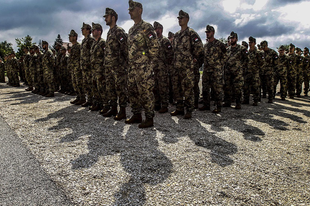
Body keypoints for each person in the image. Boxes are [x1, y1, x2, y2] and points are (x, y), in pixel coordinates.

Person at [125, 0, 159, 128]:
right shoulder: (131, 30)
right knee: (133, 91)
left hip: (144, 68)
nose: (129, 12)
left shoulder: (147, 27)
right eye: (129, 10)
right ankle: (136, 114)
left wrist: (147, 61)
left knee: (145, 92)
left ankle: (149, 118)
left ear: (140, 10)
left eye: (132, 9)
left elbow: (154, 47)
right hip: (133, 68)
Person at [171, 10, 203, 119]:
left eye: (182, 18)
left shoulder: (191, 33)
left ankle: (189, 110)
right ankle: (179, 108)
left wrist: (194, 59)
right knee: (177, 88)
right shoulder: (176, 35)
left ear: (187, 19)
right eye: (178, 18)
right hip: (177, 67)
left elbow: (199, 47)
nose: (179, 20)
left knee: (188, 88)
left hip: (187, 67)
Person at [103, 7, 128, 120]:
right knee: (110, 88)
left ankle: (122, 111)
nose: (105, 19)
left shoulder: (119, 31)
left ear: (113, 17)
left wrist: (124, 65)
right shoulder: (109, 32)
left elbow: (125, 49)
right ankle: (113, 108)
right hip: (109, 67)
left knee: (120, 89)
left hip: (118, 67)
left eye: (107, 17)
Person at [199, 25, 226, 113]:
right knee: (205, 88)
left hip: (216, 70)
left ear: (213, 33)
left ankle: (218, 106)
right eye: (206, 32)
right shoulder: (206, 45)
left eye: (209, 32)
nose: (207, 34)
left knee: (217, 88)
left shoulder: (219, 44)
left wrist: (219, 65)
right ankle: (206, 105)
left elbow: (225, 56)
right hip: (207, 70)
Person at [153, 21, 174, 113]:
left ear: (161, 29)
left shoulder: (165, 41)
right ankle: (157, 104)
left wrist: (166, 65)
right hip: (154, 68)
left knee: (163, 87)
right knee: (155, 87)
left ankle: (164, 105)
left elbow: (170, 54)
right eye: (155, 29)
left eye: (157, 29)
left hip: (162, 68)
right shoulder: (153, 41)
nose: (156, 31)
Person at [223, 31, 248, 109]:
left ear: (236, 39)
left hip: (237, 72)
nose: (231, 40)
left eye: (233, 38)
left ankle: (238, 103)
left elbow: (247, 60)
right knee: (227, 87)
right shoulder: (228, 50)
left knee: (237, 88)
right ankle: (227, 102)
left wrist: (241, 67)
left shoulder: (242, 49)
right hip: (228, 72)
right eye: (230, 38)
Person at [89, 22, 107, 112]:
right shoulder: (94, 43)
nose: (92, 32)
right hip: (94, 70)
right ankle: (98, 103)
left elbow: (105, 56)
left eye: (94, 30)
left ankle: (105, 105)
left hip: (100, 70)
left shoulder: (102, 42)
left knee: (102, 88)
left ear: (99, 31)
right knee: (95, 87)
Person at [80, 22, 96, 107]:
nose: (82, 30)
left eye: (83, 29)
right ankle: (89, 99)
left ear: (88, 30)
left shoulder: (91, 40)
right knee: (86, 83)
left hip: (89, 66)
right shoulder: (83, 40)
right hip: (84, 66)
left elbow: (92, 53)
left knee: (91, 83)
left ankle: (94, 100)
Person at [243, 36, 261, 105]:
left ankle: (255, 100)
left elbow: (262, 62)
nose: (250, 44)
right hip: (247, 72)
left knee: (255, 86)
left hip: (254, 72)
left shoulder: (258, 53)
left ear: (255, 43)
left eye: (252, 42)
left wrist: (256, 68)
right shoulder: (247, 52)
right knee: (246, 86)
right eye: (249, 42)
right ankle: (246, 100)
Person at [68, 30, 85, 105]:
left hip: (78, 68)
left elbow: (81, 57)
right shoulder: (73, 47)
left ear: (75, 37)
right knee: (75, 83)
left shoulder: (78, 46)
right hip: (73, 68)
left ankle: (82, 98)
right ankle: (78, 97)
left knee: (79, 83)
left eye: (71, 36)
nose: (69, 38)